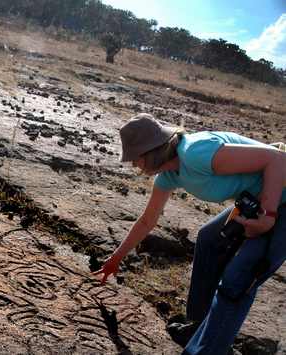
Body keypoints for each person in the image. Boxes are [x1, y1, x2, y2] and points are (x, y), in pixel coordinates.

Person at [92, 113, 286, 354]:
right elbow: (147, 221)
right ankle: (198, 326)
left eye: (134, 157)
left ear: (150, 151)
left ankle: (206, 350)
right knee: (209, 239)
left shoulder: (195, 152)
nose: (133, 165)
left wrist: (268, 216)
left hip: (278, 201)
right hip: (257, 200)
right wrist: (115, 259)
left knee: (239, 278)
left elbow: (277, 159)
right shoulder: (169, 174)